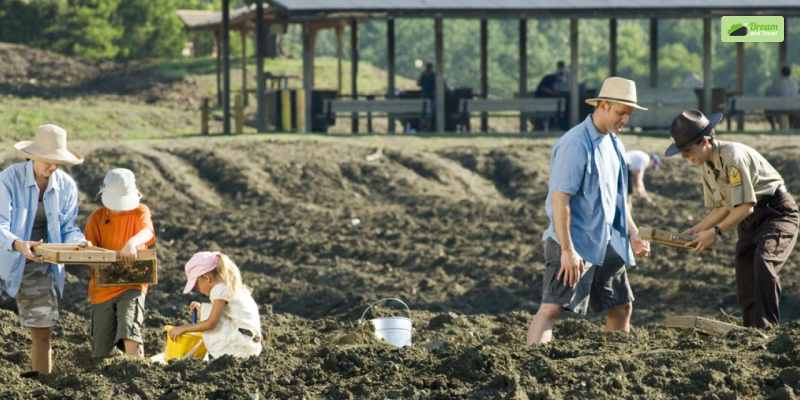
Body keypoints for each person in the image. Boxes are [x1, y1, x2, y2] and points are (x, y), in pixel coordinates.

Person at [527, 77, 651, 346]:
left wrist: (632, 233)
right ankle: (531, 361)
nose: (625, 120)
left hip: (607, 240)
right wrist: (567, 250)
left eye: (628, 114)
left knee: (621, 305)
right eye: (621, 113)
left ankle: (616, 358)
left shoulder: (615, 143)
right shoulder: (575, 144)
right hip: (575, 241)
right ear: (603, 105)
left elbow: (618, 199)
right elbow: (561, 199)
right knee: (552, 308)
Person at [664, 110, 799, 329]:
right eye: (682, 153)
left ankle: (768, 328)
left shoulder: (732, 156)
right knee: (745, 270)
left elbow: (746, 206)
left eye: (687, 151)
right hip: (748, 218)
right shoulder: (707, 165)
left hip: (775, 212)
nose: (686, 158)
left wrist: (715, 232)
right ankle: (752, 330)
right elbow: (722, 207)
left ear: (705, 141)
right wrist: (694, 231)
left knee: (764, 261)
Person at [0, 124, 89, 376]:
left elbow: (67, 227)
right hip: (5, 254)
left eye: (57, 162)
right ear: (33, 156)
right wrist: (18, 244)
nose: (52, 167)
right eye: (48, 161)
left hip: (37, 261)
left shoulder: (66, 186)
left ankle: (42, 384)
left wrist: (79, 242)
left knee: (43, 330)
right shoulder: (8, 180)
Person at [83, 168, 156, 359]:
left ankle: (137, 370)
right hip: (102, 288)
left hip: (133, 282)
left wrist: (132, 243)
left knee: (130, 331)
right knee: (101, 351)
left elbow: (147, 232)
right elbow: (89, 249)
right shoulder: (97, 218)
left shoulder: (140, 211)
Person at [169, 251, 262, 359]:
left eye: (196, 285)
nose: (197, 290)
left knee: (209, 322)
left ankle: (218, 356)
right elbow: (227, 313)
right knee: (208, 312)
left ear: (207, 278)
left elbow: (211, 324)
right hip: (250, 344)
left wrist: (183, 328)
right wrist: (202, 309)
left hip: (239, 348)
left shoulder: (219, 289)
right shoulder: (232, 286)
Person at [766, 65, 800, 130]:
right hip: (792, 108)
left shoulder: (776, 82)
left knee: (767, 111)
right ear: (790, 73)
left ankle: (773, 127)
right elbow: (796, 94)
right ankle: (792, 127)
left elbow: (768, 93)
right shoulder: (794, 82)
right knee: (796, 113)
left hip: (778, 108)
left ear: (781, 73)